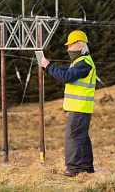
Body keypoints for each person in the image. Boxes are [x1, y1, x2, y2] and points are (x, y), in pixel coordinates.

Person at [41, 30, 96, 177]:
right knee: (82, 138)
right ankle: (87, 169)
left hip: (79, 108)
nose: (68, 49)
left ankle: (72, 170)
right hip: (81, 108)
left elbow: (66, 77)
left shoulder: (83, 64)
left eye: (70, 46)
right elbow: (63, 71)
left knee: (72, 137)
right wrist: (48, 68)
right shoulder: (79, 62)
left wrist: (49, 66)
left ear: (79, 47)